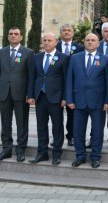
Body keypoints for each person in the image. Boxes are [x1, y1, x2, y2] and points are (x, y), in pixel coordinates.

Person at [66, 33, 108, 169]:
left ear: (98, 43)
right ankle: (80, 156)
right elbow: (69, 80)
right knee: (78, 130)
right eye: (88, 40)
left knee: (97, 130)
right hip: (78, 101)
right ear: (84, 42)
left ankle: (95, 157)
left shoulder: (105, 59)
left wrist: (107, 101)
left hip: (98, 102)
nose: (90, 42)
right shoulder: (75, 58)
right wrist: (69, 99)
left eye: (93, 40)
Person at [0, 27, 34, 162]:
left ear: (21, 37)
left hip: (21, 94)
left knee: (22, 122)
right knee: (5, 122)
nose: (13, 36)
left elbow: (31, 76)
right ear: (8, 36)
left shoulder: (28, 52)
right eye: (11, 34)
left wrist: (30, 94)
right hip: (4, 93)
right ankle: (6, 149)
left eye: (16, 34)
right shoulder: (1, 52)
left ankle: (21, 149)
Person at [27, 33, 69, 165]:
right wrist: (31, 95)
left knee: (57, 126)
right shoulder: (36, 57)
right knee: (41, 126)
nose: (46, 42)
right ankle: (42, 152)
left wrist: (65, 97)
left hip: (56, 98)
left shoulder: (63, 58)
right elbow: (32, 77)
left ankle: (57, 153)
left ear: (56, 42)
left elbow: (66, 80)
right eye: (44, 40)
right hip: (40, 97)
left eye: (49, 40)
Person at [55, 23, 84, 147]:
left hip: (73, 85)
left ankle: (71, 136)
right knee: (56, 114)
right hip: (56, 86)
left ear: (73, 33)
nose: (66, 32)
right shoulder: (54, 46)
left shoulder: (79, 48)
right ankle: (57, 137)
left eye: (69, 30)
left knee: (72, 113)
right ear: (60, 33)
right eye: (64, 30)